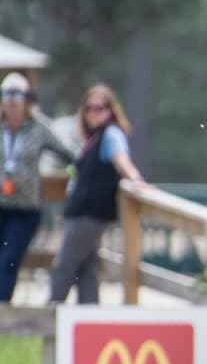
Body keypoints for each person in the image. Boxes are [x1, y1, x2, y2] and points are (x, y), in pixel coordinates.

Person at [48, 84, 145, 305]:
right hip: (84, 212)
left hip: (89, 215)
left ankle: (50, 319)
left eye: (99, 107)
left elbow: (121, 160)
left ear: (110, 110)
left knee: (65, 265)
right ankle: (87, 318)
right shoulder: (93, 138)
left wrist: (136, 180)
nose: (93, 112)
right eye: (88, 108)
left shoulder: (110, 134)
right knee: (86, 271)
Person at [0, 72, 77, 303]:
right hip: (0, 205)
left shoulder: (39, 127)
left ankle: (3, 313)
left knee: (9, 259)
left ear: (26, 102)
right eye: (8, 100)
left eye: (18, 101)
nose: (13, 107)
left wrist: (84, 168)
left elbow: (69, 152)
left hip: (25, 209)